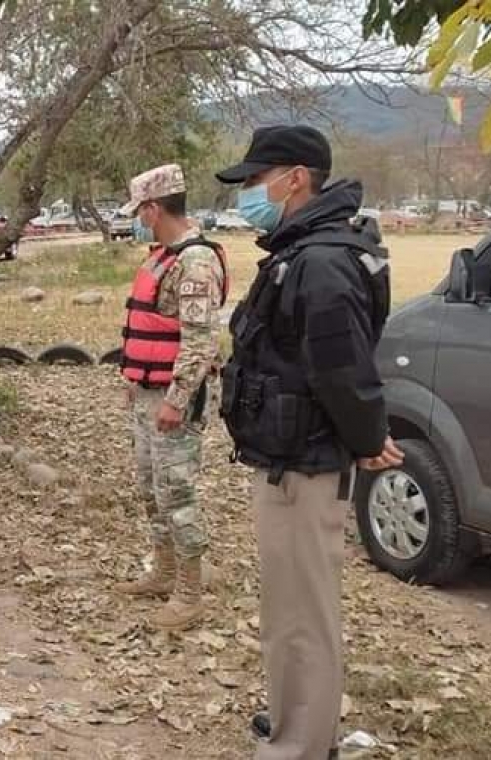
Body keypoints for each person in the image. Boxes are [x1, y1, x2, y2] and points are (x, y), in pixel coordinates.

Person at [215, 125, 404, 760]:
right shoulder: (304, 250)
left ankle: (302, 743)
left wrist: (368, 435)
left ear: (295, 178)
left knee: (304, 617)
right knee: (287, 610)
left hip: (307, 465)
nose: (248, 193)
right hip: (288, 461)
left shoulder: (322, 261)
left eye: (254, 180)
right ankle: (295, 720)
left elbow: (341, 369)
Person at [114, 164, 229, 631]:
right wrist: (135, 383)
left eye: (140, 209)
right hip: (148, 392)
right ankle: (162, 572)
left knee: (177, 493)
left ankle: (189, 592)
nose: (138, 218)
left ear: (154, 208)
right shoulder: (162, 256)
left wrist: (176, 400)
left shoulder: (195, 262)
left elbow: (200, 341)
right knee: (150, 488)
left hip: (173, 398)